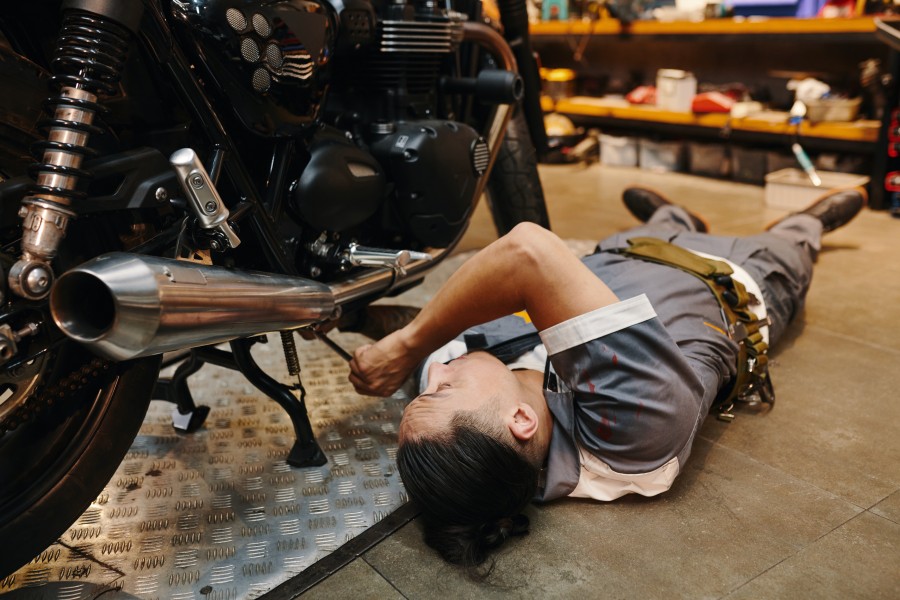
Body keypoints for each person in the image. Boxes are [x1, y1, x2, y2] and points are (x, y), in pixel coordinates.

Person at [347, 186, 866, 570]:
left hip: (621, 253)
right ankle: (809, 219)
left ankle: (675, 215)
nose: (435, 370)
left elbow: (432, 343)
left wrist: (354, 318)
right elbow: (527, 251)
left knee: (663, 220)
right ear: (522, 421)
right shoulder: (630, 434)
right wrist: (408, 343)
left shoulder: (485, 429)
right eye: (443, 387)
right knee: (792, 241)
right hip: (731, 273)